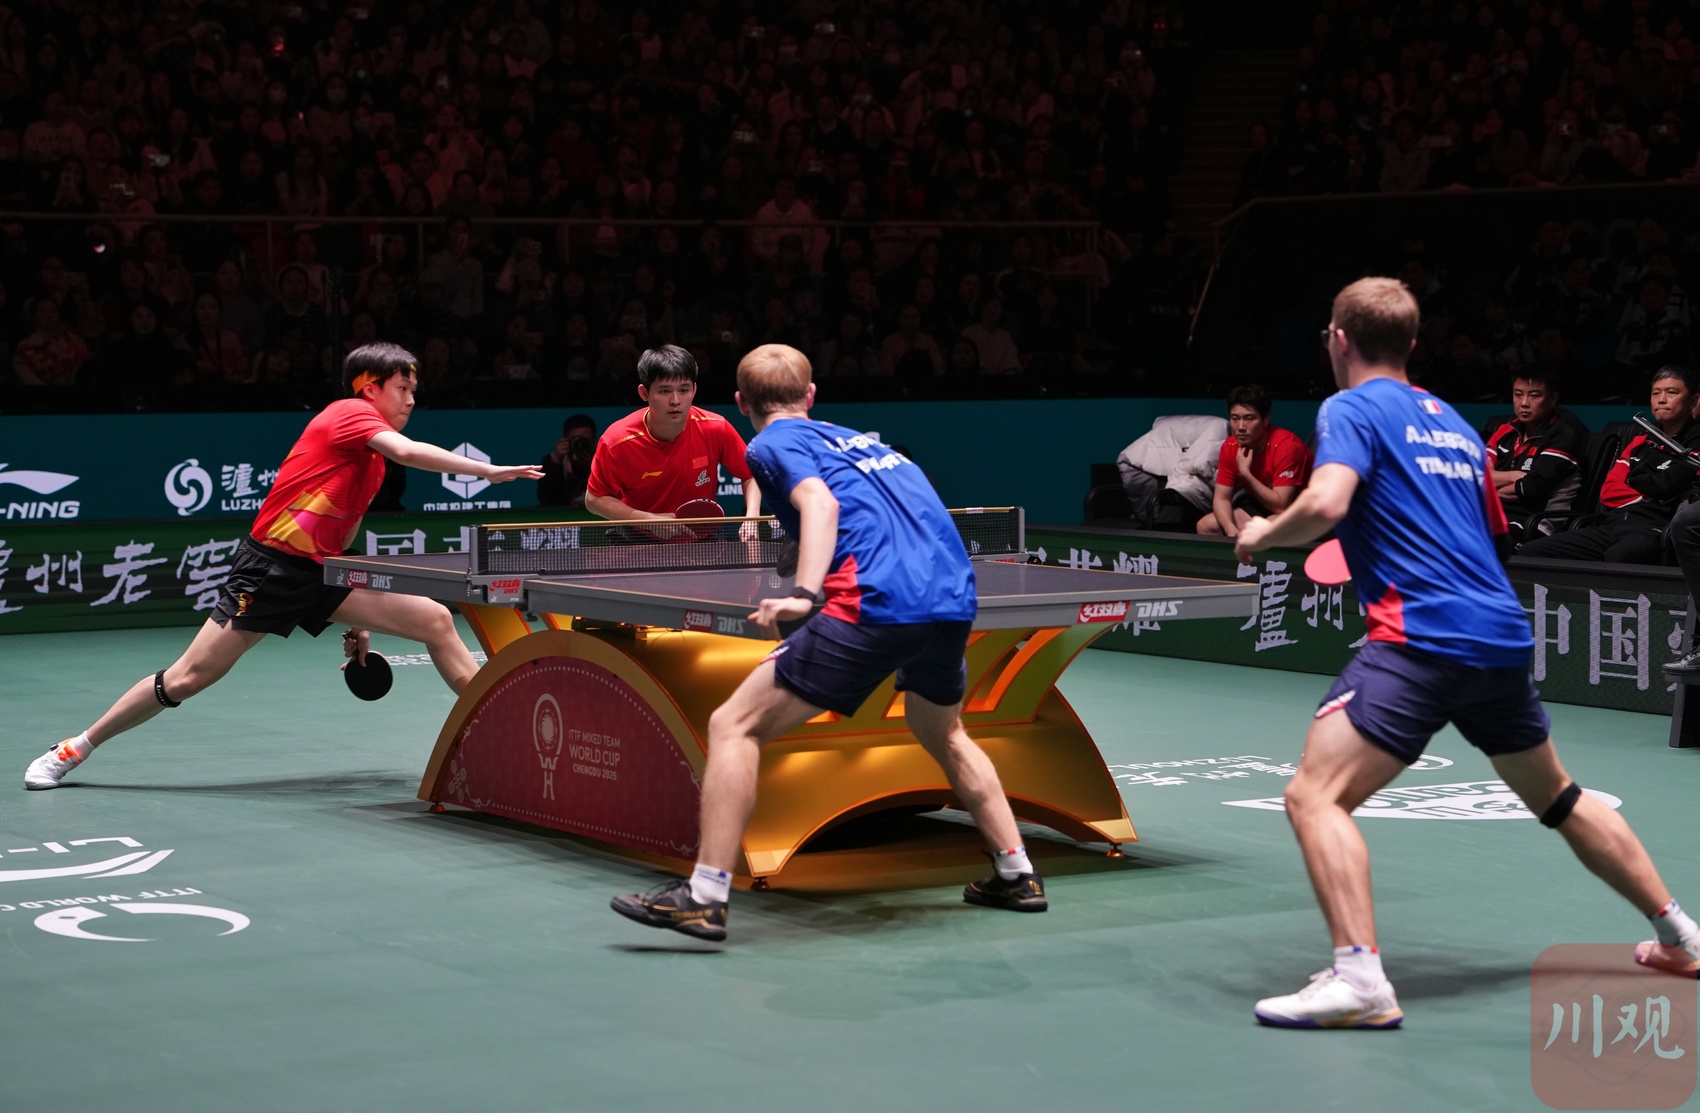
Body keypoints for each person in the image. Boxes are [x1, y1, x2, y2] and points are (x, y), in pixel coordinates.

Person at [1234, 277, 1700, 1029]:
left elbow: (1325, 503)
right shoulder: (1453, 424)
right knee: (1560, 797)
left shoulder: (1350, 407)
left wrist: (1262, 532)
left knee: (1313, 796)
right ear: (1413, 345)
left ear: (1338, 340)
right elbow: (1488, 531)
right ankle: (1682, 935)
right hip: (1498, 631)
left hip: (1422, 633)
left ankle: (1360, 979)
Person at [610, 344, 1045, 941]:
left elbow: (820, 502)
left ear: (740, 403)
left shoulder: (770, 444)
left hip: (877, 602)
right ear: (811, 395)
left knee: (734, 725)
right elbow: (890, 514)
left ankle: (704, 896)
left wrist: (805, 594)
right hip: (950, 598)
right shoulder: (865, 444)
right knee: (942, 730)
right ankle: (1017, 872)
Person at [24, 342, 544, 790]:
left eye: (414, 390)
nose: (411, 399)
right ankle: (74, 747)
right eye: (402, 388)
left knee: (434, 619)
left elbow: (341, 531)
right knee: (186, 678)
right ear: (370, 388)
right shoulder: (347, 413)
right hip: (270, 570)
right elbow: (408, 452)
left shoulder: (371, 460)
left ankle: (506, 731)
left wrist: (355, 607)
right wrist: (486, 471)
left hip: (322, 570)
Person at [1519, 367, 1700, 564]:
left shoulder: (1696, 442)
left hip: (1654, 528)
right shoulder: (1640, 442)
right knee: (1531, 552)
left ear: (1693, 400)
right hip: (1611, 523)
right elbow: (1608, 492)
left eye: (1671, 392)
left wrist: (1633, 480)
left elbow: (1666, 485)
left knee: (1620, 556)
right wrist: (1651, 488)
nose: (1662, 400)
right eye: (1656, 393)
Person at [584, 344, 761, 526]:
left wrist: (752, 517)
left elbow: (751, 474)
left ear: (694, 390)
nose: (675, 401)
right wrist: (648, 520)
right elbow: (593, 499)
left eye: (683, 390)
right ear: (644, 393)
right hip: (637, 534)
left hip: (701, 534)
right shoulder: (617, 441)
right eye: (664, 391)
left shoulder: (715, 428)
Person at [1481, 370, 1588, 542]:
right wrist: (1514, 476)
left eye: (1534, 396)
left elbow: (1530, 489)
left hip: (1535, 524)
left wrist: (1488, 486)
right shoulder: (1505, 431)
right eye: (1518, 395)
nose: (1524, 403)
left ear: (1552, 399)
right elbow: (1475, 477)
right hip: (1493, 513)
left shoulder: (1564, 437)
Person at [1197, 384, 1313, 537]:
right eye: (1235, 418)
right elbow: (1222, 498)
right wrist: (1230, 529)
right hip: (1264, 505)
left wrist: (1246, 474)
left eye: (1249, 418)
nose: (1240, 427)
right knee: (1206, 526)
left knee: (1268, 526)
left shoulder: (1286, 447)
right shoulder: (1230, 446)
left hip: (1307, 508)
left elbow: (1280, 506)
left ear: (1265, 420)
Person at [538, 413, 598, 507]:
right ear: (566, 439)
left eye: (585, 440)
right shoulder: (552, 460)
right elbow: (546, 497)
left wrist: (588, 465)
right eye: (577, 439)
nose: (581, 444)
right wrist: (556, 461)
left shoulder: (602, 460)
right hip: (562, 511)